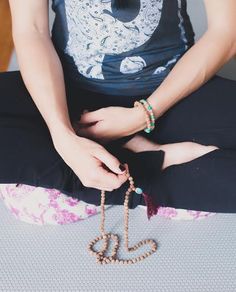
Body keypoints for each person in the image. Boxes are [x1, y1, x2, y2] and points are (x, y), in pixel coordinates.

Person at [1, 0, 236, 220]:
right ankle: (146, 165)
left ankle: (108, 173)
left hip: (174, 92)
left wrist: (144, 114)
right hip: (66, 95)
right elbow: (31, 31)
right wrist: (62, 136)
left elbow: (227, 31)